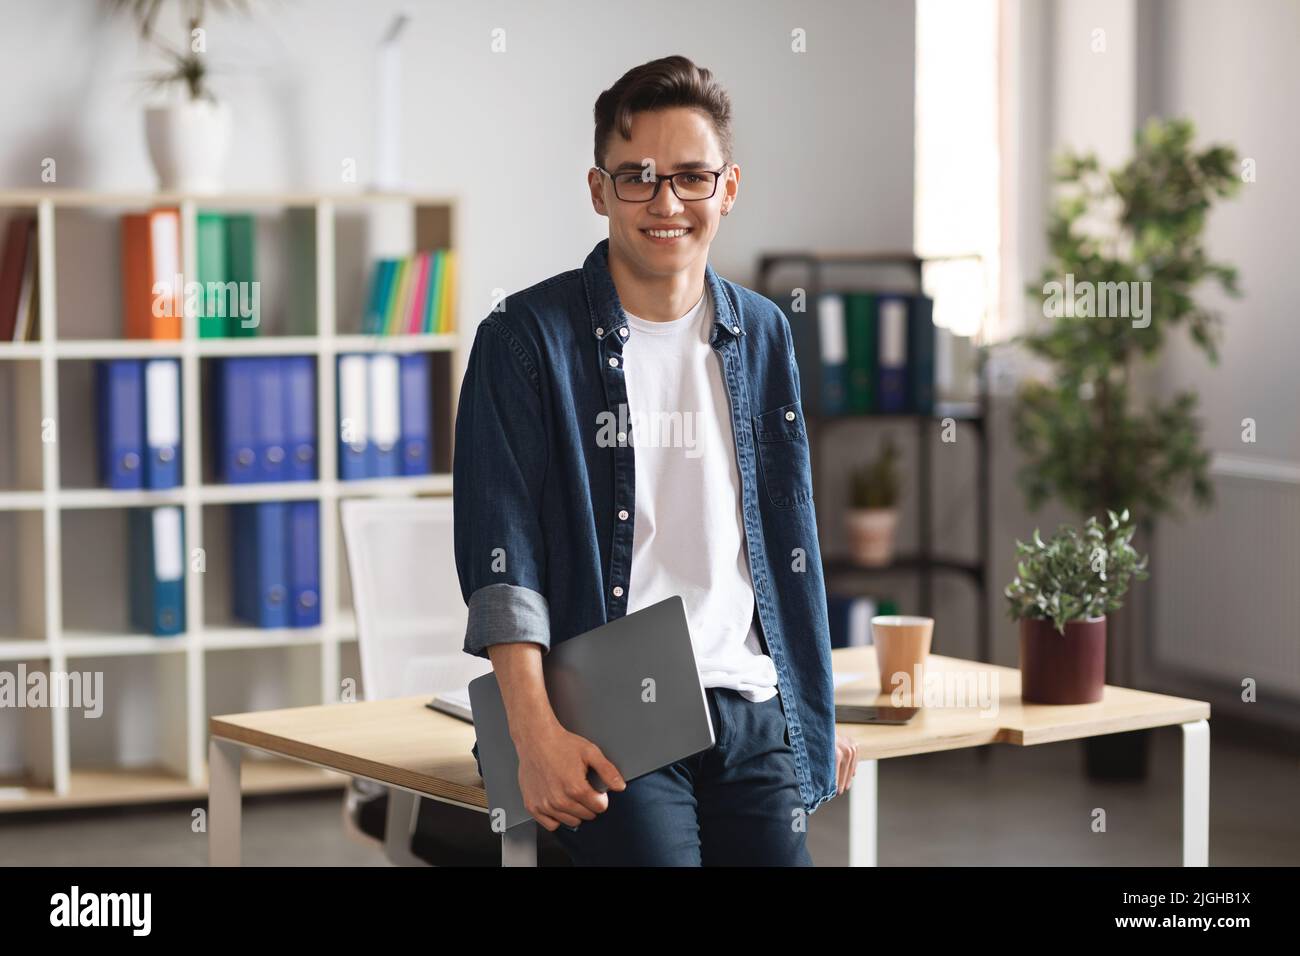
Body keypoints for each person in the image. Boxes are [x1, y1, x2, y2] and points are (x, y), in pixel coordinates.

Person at [454, 54, 858, 866]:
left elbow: (789, 539)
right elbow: (504, 559)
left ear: (728, 189)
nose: (666, 202)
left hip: (752, 706)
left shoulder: (766, 333)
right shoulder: (524, 341)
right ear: (599, 190)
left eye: (690, 177)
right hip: (610, 713)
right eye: (637, 177)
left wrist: (813, 711)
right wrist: (534, 734)